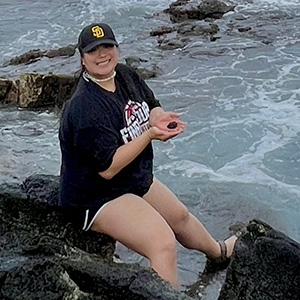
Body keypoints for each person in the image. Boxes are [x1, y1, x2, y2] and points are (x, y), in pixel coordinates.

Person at [59, 22, 237, 289]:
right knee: (162, 242)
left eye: (107, 46)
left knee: (179, 216)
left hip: (130, 176)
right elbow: (107, 168)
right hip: (95, 196)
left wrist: (159, 118)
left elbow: (151, 104)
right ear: (82, 58)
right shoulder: (85, 107)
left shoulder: (126, 76)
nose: (102, 55)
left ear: (116, 48)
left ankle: (218, 252)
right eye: (93, 51)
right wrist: (150, 135)